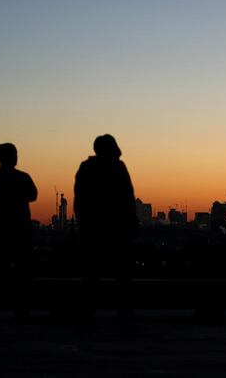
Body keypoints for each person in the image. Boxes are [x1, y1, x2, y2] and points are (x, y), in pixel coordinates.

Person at [74, 134, 138, 329]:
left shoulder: (87, 168)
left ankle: (87, 315)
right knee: (121, 276)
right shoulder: (118, 168)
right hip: (116, 229)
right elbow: (128, 197)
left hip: (95, 229)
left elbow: (80, 200)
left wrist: (84, 225)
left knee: (92, 275)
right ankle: (124, 316)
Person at [0, 142, 38, 320]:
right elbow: (33, 195)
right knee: (22, 272)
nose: (16, 156)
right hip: (20, 229)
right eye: (14, 153)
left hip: (1, 229)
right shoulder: (22, 177)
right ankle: (21, 309)